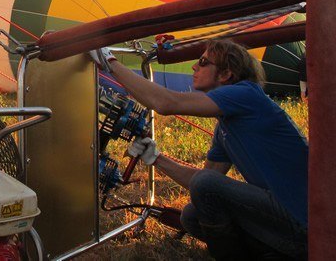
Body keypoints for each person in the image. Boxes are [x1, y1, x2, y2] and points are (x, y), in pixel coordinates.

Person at [89, 40, 308, 260]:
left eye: (203, 62)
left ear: (225, 74)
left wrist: (110, 62)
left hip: (304, 223)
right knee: (191, 216)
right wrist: (155, 158)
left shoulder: (246, 94)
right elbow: (202, 180)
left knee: (206, 186)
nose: (194, 67)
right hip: (282, 223)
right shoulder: (226, 125)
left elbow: (167, 103)